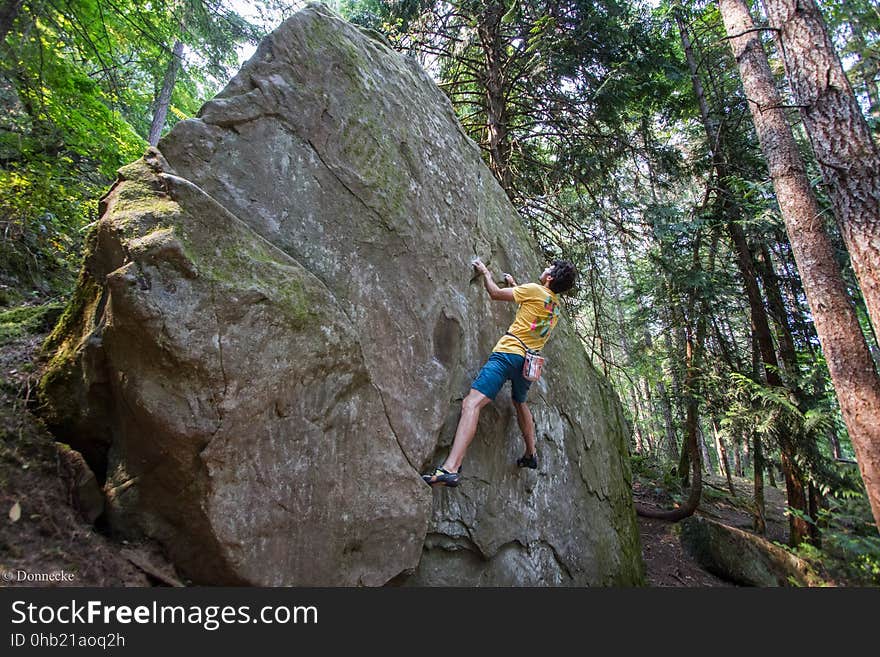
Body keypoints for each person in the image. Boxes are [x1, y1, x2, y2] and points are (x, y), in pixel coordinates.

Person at [422, 257, 577, 487]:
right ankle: (531, 453)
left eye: (549, 268)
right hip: (528, 364)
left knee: (472, 404)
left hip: (509, 353)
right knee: (519, 401)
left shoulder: (534, 290)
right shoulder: (554, 305)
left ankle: (450, 468)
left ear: (550, 277)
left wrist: (485, 271)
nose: (544, 268)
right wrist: (514, 284)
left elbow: (495, 293)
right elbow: (531, 309)